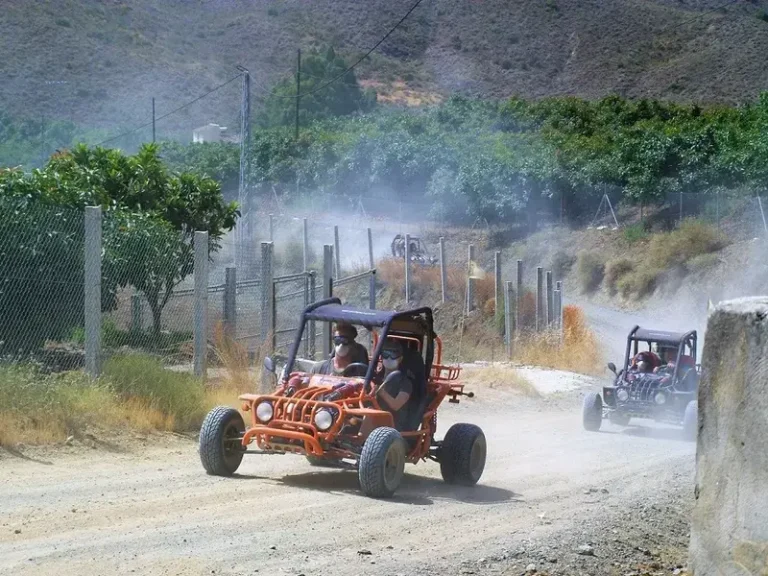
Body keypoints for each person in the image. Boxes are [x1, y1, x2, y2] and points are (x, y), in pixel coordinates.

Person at [359, 338, 413, 437]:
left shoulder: (405, 382)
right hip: (372, 417)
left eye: (393, 354)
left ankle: (357, 443)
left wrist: (381, 392)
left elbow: (396, 405)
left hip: (392, 423)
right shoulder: (375, 377)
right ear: (381, 357)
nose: (389, 358)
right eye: (385, 354)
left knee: (370, 411)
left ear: (400, 359)